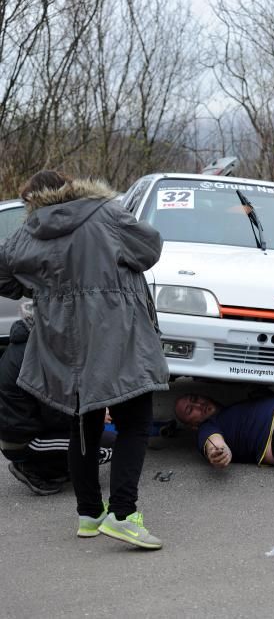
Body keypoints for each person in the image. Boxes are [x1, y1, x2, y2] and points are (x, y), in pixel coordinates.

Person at [0, 170, 169, 550]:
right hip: (118, 336)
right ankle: (124, 515)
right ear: (71, 186)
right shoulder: (104, 214)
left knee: (83, 425)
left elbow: (4, 273)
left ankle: (89, 513)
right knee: (136, 424)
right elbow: (150, 248)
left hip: (65, 345)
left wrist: (39, 286)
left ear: (32, 200)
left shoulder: (27, 232)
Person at [0, 313, 113, 496]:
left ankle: (57, 467)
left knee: (91, 434)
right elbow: (55, 412)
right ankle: (33, 469)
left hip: (19, 431)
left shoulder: (27, 344)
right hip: (24, 440)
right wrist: (91, 415)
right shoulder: (35, 355)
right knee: (105, 446)